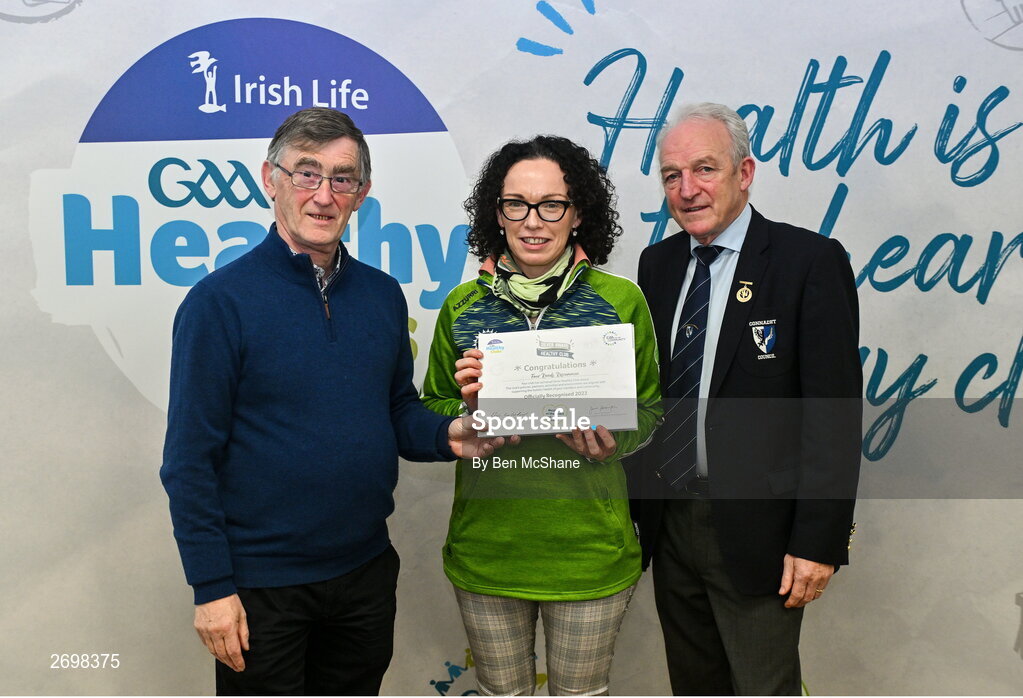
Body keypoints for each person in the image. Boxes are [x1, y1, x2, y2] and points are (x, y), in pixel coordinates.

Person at [160, 107, 507, 696]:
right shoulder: (218, 304)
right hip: (261, 588)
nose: (323, 195)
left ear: (361, 193)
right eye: (306, 173)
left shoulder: (382, 295)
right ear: (270, 180)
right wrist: (212, 588)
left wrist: (452, 434)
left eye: (342, 178)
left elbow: (396, 411)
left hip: (364, 576)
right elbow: (189, 461)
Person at [628, 103, 862, 695]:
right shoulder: (657, 265)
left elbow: (833, 418)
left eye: (704, 169)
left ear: (745, 172)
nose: (687, 189)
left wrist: (817, 542)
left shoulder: (808, 262)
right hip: (670, 522)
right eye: (672, 175)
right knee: (693, 685)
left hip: (762, 534)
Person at [421, 135, 662, 696]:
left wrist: (616, 441)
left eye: (552, 204)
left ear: (578, 214)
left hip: (590, 552)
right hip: (488, 550)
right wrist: (470, 413)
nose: (533, 221)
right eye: (516, 204)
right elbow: (432, 405)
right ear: (497, 213)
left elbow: (650, 409)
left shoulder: (621, 301)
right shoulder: (461, 305)